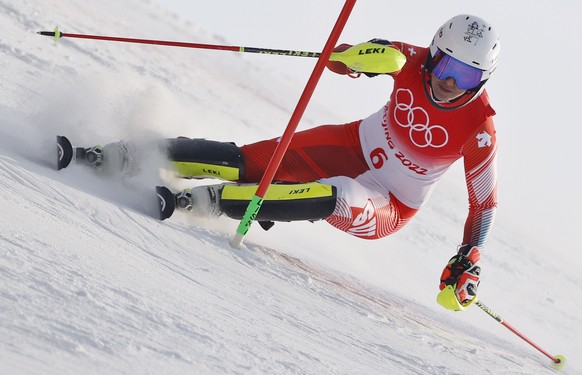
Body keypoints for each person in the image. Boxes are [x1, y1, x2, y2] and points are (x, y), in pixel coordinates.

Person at [79, 14, 500, 307]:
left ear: (481, 80)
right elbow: (337, 58)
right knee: (247, 162)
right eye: (445, 64)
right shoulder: (408, 59)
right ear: (432, 54)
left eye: (466, 77)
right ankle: (123, 154)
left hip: (389, 201)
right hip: (350, 145)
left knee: (337, 195)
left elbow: (484, 204)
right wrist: (356, 58)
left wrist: (470, 257)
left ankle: (211, 201)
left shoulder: (480, 128)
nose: (449, 82)